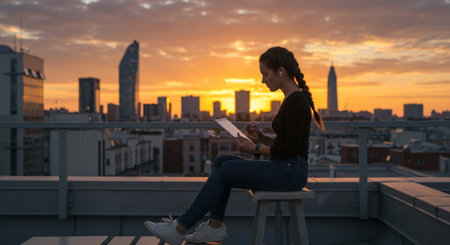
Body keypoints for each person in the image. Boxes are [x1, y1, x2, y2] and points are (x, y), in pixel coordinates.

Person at [144, 46, 325, 245]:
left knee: (227, 170)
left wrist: (253, 149)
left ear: (281, 71)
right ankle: (214, 226)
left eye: (265, 74)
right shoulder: (291, 99)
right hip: (285, 167)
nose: (263, 80)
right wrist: (261, 138)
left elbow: (291, 150)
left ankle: (181, 228)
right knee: (222, 161)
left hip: (291, 172)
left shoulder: (296, 101)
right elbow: (287, 144)